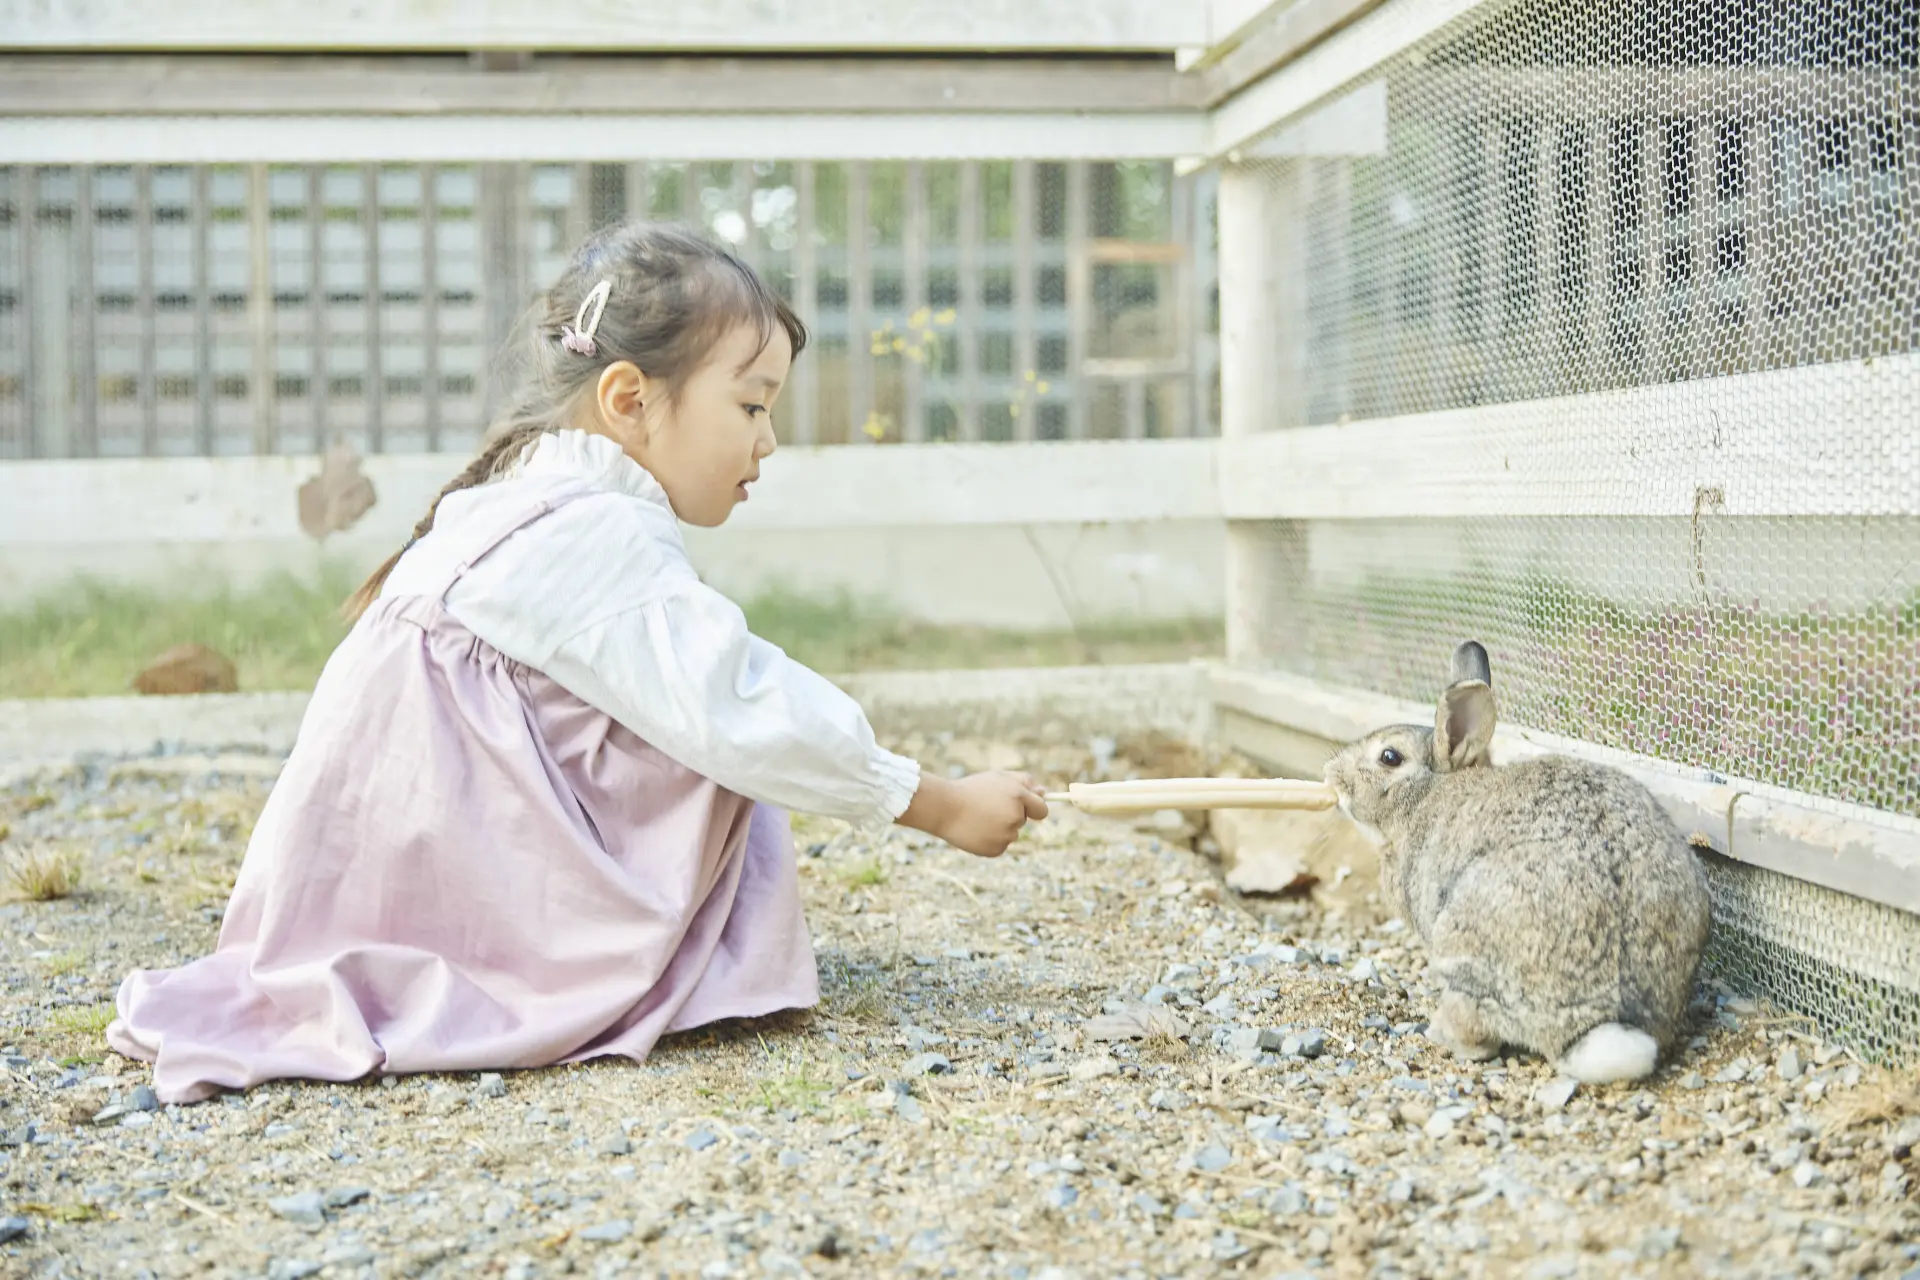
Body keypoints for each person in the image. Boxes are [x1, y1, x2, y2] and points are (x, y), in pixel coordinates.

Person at [108, 221, 1048, 1104]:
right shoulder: (590, 532)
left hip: (406, 865)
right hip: (449, 876)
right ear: (630, 400)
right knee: (703, 723)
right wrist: (937, 800)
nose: (768, 439)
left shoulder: (527, 495)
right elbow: (737, 704)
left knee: (678, 704)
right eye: (752, 405)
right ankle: (597, 959)